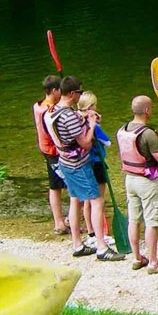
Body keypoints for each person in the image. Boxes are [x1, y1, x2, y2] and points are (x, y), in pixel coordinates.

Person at [45, 77, 114, 261]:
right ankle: (101, 247)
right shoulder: (69, 116)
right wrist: (91, 126)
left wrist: (84, 118)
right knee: (97, 201)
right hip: (79, 165)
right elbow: (85, 144)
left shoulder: (51, 112)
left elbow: (71, 124)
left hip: (64, 162)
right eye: (79, 92)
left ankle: (77, 244)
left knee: (75, 201)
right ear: (72, 93)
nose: (80, 95)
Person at [117, 94, 158, 273]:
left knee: (133, 219)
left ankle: (136, 258)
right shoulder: (147, 133)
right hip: (146, 181)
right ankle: (153, 263)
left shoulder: (123, 129)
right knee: (151, 221)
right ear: (147, 111)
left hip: (130, 179)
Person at [78, 91, 121, 259]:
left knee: (88, 200)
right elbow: (108, 142)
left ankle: (91, 233)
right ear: (90, 107)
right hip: (97, 163)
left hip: (84, 163)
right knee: (98, 201)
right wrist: (97, 125)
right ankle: (100, 235)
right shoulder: (93, 125)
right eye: (94, 106)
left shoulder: (77, 119)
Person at [33, 74, 67, 235]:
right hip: (55, 151)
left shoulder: (37, 105)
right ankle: (67, 221)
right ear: (54, 90)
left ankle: (59, 221)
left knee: (54, 186)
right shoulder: (49, 111)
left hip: (46, 150)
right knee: (75, 187)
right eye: (60, 90)